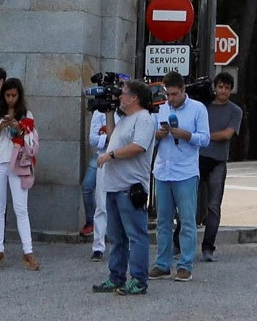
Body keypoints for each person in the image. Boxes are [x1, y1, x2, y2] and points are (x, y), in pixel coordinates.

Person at [92, 79, 156, 296]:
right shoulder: (125, 119)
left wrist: (110, 155)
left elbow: (138, 146)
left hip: (130, 187)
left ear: (135, 97)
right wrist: (109, 113)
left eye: (124, 93)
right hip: (114, 185)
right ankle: (116, 277)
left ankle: (138, 280)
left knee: (136, 235)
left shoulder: (144, 118)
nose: (120, 96)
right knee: (117, 237)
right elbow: (113, 139)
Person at [147, 72, 209, 281]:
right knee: (163, 221)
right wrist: (158, 135)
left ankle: (185, 264)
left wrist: (186, 135)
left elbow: (206, 139)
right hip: (163, 171)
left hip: (185, 172)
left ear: (183, 90)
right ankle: (162, 264)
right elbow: (149, 138)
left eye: (174, 94)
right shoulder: (160, 108)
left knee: (187, 220)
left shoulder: (198, 109)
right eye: (168, 94)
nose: (171, 98)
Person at [0, 77, 39, 270]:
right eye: (7, 95)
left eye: (14, 96)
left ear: (19, 96)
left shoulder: (26, 114)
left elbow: (31, 143)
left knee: (20, 208)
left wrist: (19, 128)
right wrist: (0, 128)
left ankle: (28, 251)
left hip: (17, 163)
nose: (10, 99)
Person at [197, 71, 241, 262]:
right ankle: (178, 244)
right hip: (197, 159)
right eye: (220, 86)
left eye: (227, 88)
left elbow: (227, 134)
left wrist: (204, 136)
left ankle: (208, 247)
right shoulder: (202, 107)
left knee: (213, 206)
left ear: (231, 90)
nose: (222, 91)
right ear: (214, 87)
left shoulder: (235, 111)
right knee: (188, 204)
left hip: (217, 162)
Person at [87, 84, 113, 257]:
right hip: (104, 158)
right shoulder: (99, 112)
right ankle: (98, 246)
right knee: (101, 203)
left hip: (122, 158)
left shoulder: (125, 111)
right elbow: (93, 139)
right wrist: (108, 137)